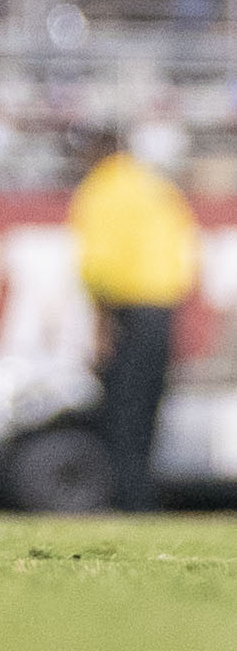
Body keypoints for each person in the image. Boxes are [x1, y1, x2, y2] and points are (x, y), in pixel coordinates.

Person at [70, 122, 200, 515]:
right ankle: (143, 497)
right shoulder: (157, 186)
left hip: (125, 311)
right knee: (148, 411)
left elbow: (99, 265)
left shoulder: (102, 190)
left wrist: (100, 323)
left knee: (121, 412)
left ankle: (125, 500)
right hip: (162, 310)